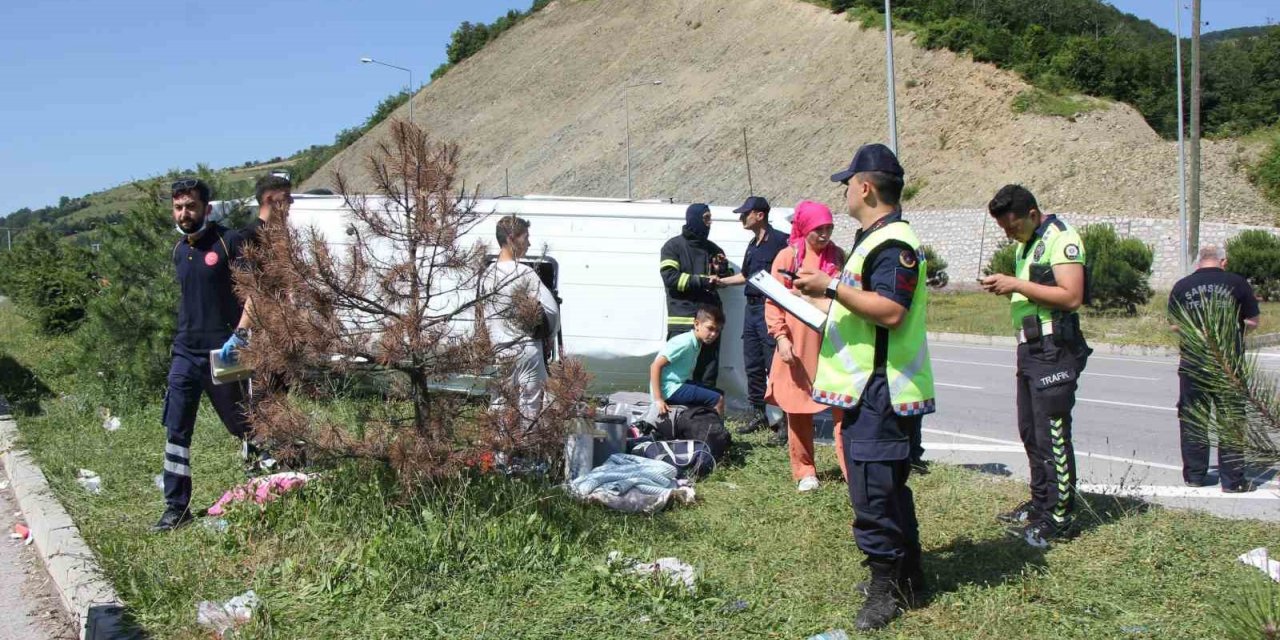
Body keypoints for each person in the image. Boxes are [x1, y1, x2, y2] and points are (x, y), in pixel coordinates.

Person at [794, 144, 935, 631]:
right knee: (889, 488)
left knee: (874, 494)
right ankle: (910, 575)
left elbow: (891, 312)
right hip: (869, 390)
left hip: (881, 391)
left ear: (866, 187)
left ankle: (885, 587)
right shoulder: (875, 238)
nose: (845, 192)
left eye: (847, 184)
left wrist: (831, 288)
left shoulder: (892, 244)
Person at [979, 184, 1091, 548]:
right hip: (1029, 349)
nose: (1009, 234)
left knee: (1052, 435)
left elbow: (1071, 296)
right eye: (1004, 230)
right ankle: (1040, 502)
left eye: (1013, 227)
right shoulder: (1026, 244)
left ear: (1032, 213)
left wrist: (1016, 284)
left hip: (1053, 348)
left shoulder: (1061, 237)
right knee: (1031, 432)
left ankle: (1059, 516)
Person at [154, 178, 259, 531]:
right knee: (177, 429)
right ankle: (176, 508)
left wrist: (241, 336)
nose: (184, 213)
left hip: (226, 352)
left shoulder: (229, 243)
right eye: (178, 207)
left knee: (243, 425)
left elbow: (255, 294)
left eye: (191, 207)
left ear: (206, 209)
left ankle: (267, 482)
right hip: (186, 353)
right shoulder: (178, 250)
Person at [764, 200, 847, 491]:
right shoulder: (788, 257)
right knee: (798, 408)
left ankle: (852, 470)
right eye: (818, 230)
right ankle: (805, 471)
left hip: (832, 345)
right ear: (803, 228)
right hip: (797, 345)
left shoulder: (838, 256)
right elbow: (773, 300)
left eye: (828, 228)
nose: (824, 235)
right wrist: (781, 338)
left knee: (843, 409)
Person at [1168, 245, 1260, 493]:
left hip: (1193, 362)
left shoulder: (1182, 286)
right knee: (1230, 420)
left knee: (1193, 418)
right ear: (1224, 261)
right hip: (1228, 362)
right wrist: (1233, 330)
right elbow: (1252, 321)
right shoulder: (1237, 283)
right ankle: (1233, 481)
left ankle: (1195, 476)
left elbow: (1174, 326)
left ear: (1200, 262)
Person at [715, 196, 790, 440]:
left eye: (745, 213)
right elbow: (747, 275)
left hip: (771, 308)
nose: (741, 218)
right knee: (753, 364)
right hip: (752, 310)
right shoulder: (753, 244)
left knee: (774, 365)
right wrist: (721, 282)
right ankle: (760, 414)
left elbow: (790, 274)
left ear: (759, 215)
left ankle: (785, 423)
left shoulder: (780, 241)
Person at [479, 215, 561, 434]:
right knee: (529, 404)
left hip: (501, 349)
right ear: (512, 238)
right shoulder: (523, 272)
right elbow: (551, 310)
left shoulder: (487, 275)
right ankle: (526, 455)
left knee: (500, 402)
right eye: (526, 237)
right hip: (527, 348)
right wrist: (549, 335)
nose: (529, 243)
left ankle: (498, 456)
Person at [659, 203, 734, 388]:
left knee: (708, 371)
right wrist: (703, 280)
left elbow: (727, 278)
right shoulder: (672, 247)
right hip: (683, 320)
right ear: (694, 219)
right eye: (706, 218)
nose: (710, 223)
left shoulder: (714, 249)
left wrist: (722, 270)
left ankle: (703, 414)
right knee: (675, 371)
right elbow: (670, 278)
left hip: (710, 322)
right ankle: (674, 412)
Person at [649, 305, 726, 417]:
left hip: (678, 384)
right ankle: (716, 433)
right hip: (669, 389)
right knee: (718, 399)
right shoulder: (685, 343)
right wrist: (658, 399)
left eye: (718, 331)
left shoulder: (696, 342)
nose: (714, 334)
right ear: (696, 324)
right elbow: (655, 366)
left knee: (718, 393)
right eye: (710, 328)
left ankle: (704, 425)